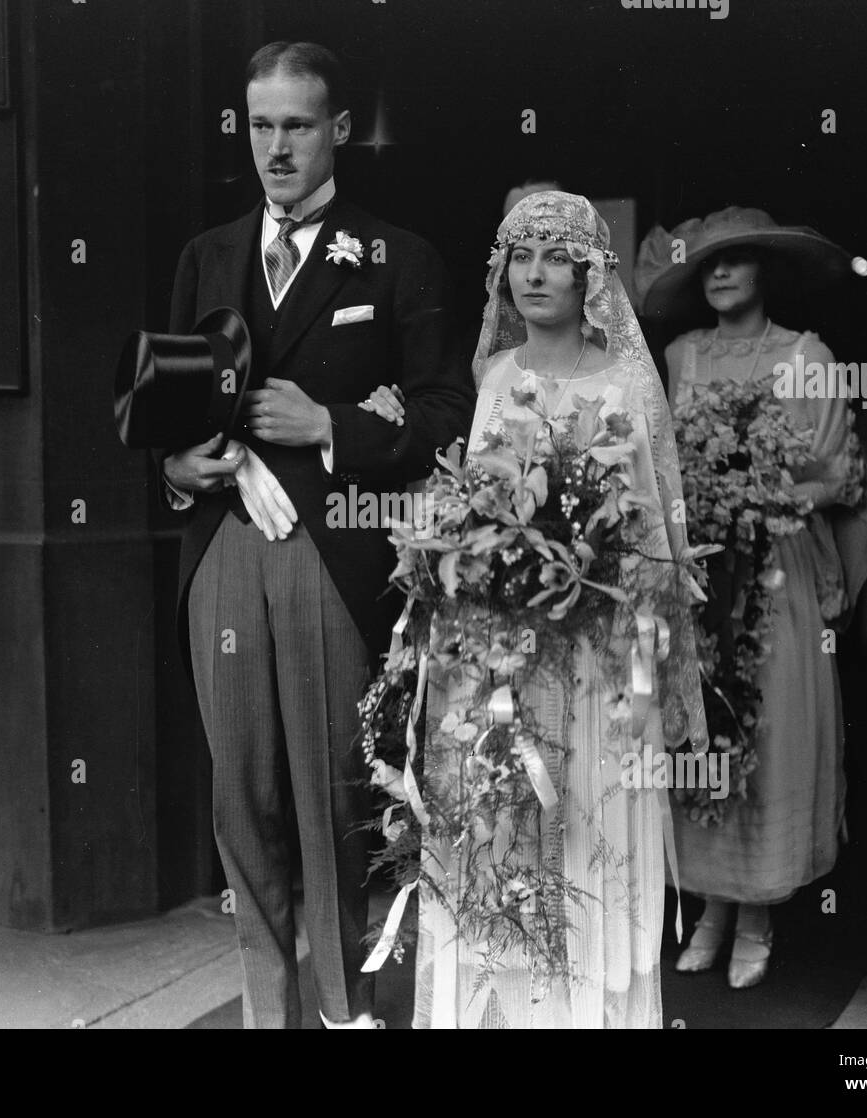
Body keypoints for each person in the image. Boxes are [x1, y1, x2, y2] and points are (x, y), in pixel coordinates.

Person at [159, 41, 475, 1029]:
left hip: (335, 556)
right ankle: (267, 1009)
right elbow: (165, 411)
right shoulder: (205, 255)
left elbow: (443, 411)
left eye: (297, 124)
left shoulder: (397, 254)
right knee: (239, 799)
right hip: (221, 553)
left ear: (338, 129)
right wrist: (175, 468)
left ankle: (345, 1013)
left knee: (334, 802)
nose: (276, 147)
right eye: (260, 124)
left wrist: (330, 424)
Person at [366, 191, 707, 1028]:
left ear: (591, 274)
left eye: (556, 256)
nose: (536, 274)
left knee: (584, 830)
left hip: (594, 661)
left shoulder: (629, 379)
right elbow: (463, 510)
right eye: (522, 256)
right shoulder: (493, 379)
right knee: (497, 826)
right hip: (495, 658)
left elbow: (661, 529)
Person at [634, 206, 867, 988]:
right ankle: (711, 905)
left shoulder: (808, 356)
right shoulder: (679, 358)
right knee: (703, 731)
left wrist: (762, 492)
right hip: (703, 576)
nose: (720, 275)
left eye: (735, 261)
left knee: (768, 733)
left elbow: (840, 475)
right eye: (707, 265)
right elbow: (653, 465)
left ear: (764, 271)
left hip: (777, 575)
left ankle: (760, 912)